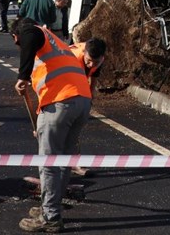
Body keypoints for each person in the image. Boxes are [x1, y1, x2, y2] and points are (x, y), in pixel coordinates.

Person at [13, 18, 106, 233]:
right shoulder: (60, 44)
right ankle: (50, 208)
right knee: (64, 160)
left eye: (17, 42)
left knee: (49, 162)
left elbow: (29, 35)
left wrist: (22, 76)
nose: (20, 46)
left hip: (61, 104)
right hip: (81, 103)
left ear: (16, 36)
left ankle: (51, 217)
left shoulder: (34, 32)